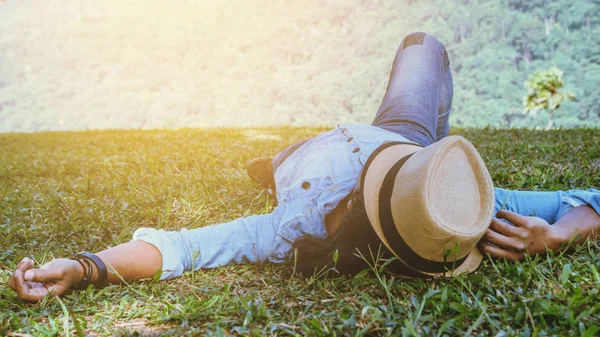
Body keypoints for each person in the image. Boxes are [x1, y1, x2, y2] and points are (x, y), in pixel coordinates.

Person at [9, 32, 600, 303]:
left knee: (283, 162)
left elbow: (182, 249)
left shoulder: (301, 230)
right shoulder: (468, 212)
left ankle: (275, 163)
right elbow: (590, 198)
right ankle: (285, 161)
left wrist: (87, 268)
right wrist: (558, 234)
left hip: (341, 160)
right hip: (406, 141)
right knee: (423, 45)